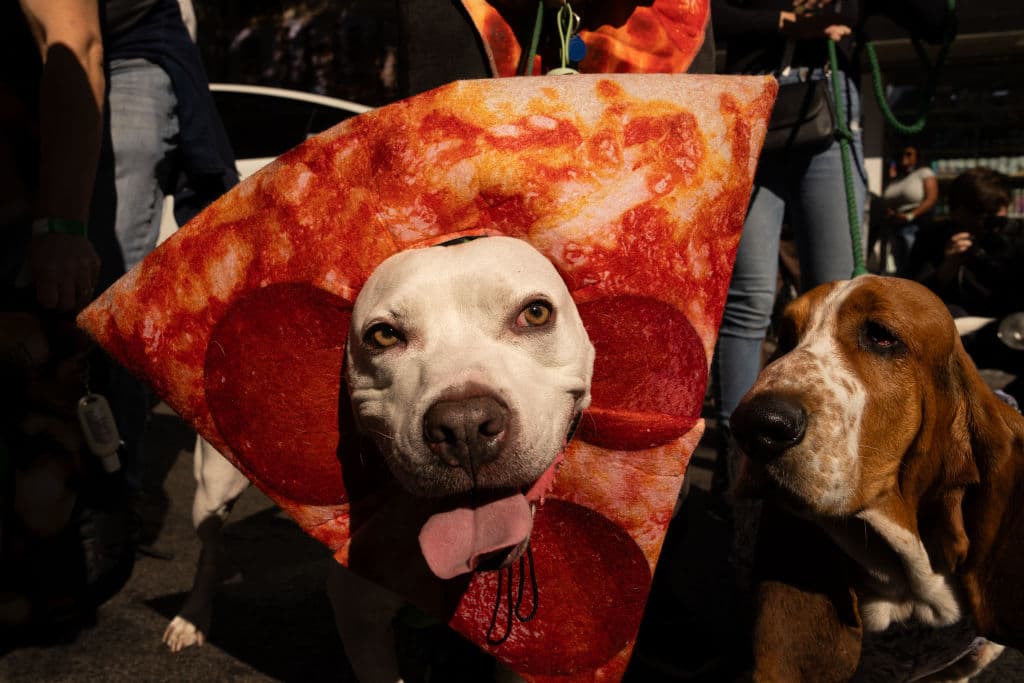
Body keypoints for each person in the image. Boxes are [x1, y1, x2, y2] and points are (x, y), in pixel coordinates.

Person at [711, 0, 867, 484]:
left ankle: (833, 436)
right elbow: (707, 14)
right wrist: (782, 19)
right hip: (753, 98)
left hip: (828, 97)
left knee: (839, 294)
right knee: (748, 297)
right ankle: (736, 452)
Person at [910, 167, 1024, 403]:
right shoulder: (933, 239)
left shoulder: (1014, 239)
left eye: (999, 218)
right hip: (957, 335)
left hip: (1008, 332)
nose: (994, 226)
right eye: (986, 218)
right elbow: (912, 299)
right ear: (960, 213)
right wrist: (947, 266)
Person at [880, 144, 938, 275]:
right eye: (901, 154)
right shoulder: (896, 179)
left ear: (917, 156)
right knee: (898, 268)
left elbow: (931, 198)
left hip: (915, 225)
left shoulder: (924, 173)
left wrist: (910, 216)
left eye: (909, 154)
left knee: (914, 267)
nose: (904, 157)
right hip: (894, 226)